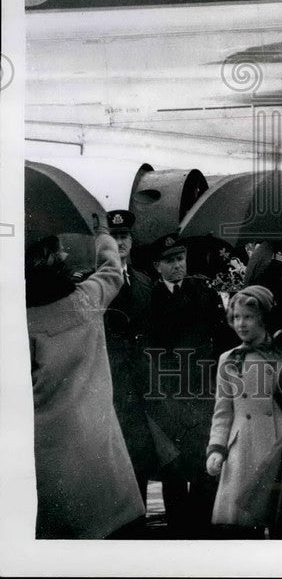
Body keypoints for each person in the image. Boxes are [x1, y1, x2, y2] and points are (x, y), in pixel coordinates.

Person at [26, 225, 145, 539]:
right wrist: (102, 232)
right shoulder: (86, 299)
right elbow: (112, 270)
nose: (65, 253)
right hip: (97, 445)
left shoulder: (20, 319)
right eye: (59, 250)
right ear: (51, 260)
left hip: (46, 451)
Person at [145, 232, 237, 537]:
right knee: (173, 467)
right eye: (170, 261)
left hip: (202, 389)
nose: (177, 265)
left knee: (204, 463)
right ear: (157, 266)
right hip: (170, 395)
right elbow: (150, 352)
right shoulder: (151, 298)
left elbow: (221, 336)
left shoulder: (202, 290)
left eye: (180, 258)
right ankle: (177, 534)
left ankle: (202, 530)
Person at [206, 286, 282, 535]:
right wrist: (216, 449)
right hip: (243, 448)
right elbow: (223, 410)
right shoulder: (229, 359)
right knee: (243, 523)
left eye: (248, 317)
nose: (241, 324)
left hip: (278, 443)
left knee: (281, 520)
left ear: (263, 318)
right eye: (236, 317)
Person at [104, 208, 158, 504]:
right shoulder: (95, 283)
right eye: (114, 237)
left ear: (132, 240)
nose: (120, 242)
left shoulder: (144, 281)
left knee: (141, 454)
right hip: (112, 382)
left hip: (141, 383)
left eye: (124, 235)